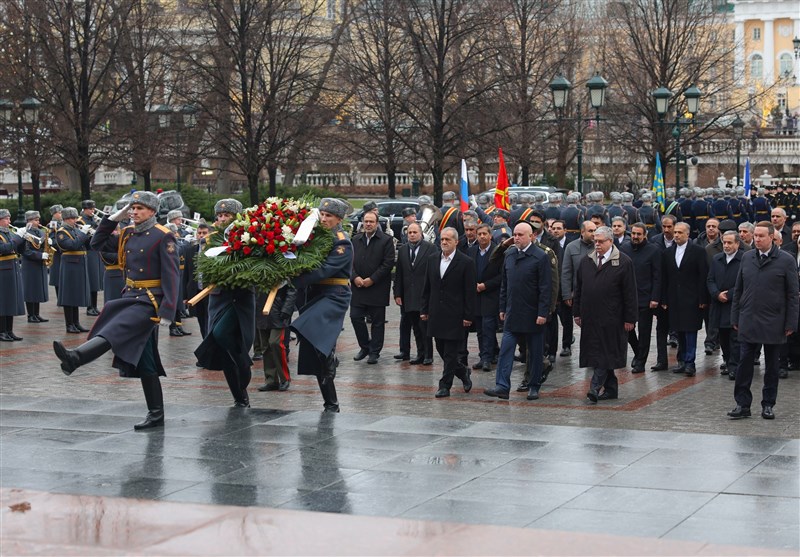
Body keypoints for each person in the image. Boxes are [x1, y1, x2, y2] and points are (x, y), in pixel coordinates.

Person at [53, 191, 180, 430]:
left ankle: (76, 358)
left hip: (149, 300)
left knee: (115, 329)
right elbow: (96, 243)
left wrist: (169, 311)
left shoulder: (164, 236)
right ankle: (156, 413)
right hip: (129, 296)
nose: (134, 212)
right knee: (146, 360)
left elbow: (172, 276)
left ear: (152, 211)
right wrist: (113, 218)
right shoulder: (128, 233)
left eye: (139, 208)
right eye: (132, 208)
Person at [728, 221, 799, 420]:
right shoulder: (747, 257)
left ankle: (768, 404)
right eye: (755, 236)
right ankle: (742, 404)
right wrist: (736, 316)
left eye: (761, 236)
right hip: (748, 319)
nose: (756, 239)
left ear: (771, 237)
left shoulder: (786, 260)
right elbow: (739, 289)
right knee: (744, 364)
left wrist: (790, 323)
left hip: (774, 321)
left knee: (772, 366)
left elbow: (793, 295)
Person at [291, 198, 353, 413]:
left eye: (329, 216)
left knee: (315, 337)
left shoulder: (342, 241)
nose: (324, 219)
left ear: (339, 219)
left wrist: (292, 276)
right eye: (323, 215)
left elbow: (324, 270)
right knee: (316, 348)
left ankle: (332, 400)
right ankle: (330, 401)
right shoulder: (314, 237)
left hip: (334, 296)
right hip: (315, 295)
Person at [195, 199, 257, 407]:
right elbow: (202, 269)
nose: (222, 219)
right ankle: (240, 398)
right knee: (222, 347)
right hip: (218, 296)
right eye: (219, 216)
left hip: (240, 297)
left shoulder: (248, 237)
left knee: (223, 335)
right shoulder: (209, 239)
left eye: (227, 215)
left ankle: (243, 362)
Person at [483, 221, 550, 401]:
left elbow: (545, 288)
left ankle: (534, 385)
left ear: (532, 237)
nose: (517, 238)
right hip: (513, 312)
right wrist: (502, 307)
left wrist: (543, 313)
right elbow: (505, 284)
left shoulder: (540, 257)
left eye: (521, 235)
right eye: (516, 234)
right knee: (506, 350)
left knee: (535, 353)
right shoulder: (510, 254)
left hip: (533, 313)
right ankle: (502, 386)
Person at [574, 226, 637, 402]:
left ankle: (594, 388)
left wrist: (630, 318)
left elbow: (630, 293)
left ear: (611, 241)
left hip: (613, 318)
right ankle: (611, 389)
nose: (597, 244)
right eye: (595, 241)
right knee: (598, 353)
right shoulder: (586, 261)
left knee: (605, 352)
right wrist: (577, 312)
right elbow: (579, 288)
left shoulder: (624, 262)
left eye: (601, 241)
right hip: (591, 317)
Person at [421, 227, 476, 398]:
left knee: (451, 352)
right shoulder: (432, 259)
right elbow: (427, 287)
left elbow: (469, 292)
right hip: (436, 313)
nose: (444, 242)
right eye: (442, 239)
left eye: (448, 240)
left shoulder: (466, 262)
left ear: (456, 242)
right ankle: (462, 372)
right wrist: (424, 309)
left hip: (455, 314)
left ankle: (444, 385)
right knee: (440, 348)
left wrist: (468, 316)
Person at [661, 222, 709, 377]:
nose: (676, 235)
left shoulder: (698, 252)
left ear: (688, 234)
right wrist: (664, 299)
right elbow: (665, 278)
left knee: (690, 331)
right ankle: (681, 360)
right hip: (674, 298)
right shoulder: (668, 253)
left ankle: (690, 362)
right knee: (678, 329)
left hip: (692, 298)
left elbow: (703, 276)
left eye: (680, 232)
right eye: (675, 232)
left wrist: (702, 298)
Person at [350, 210, 395, 364]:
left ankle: (374, 352)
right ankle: (365, 346)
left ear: (377, 223)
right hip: (358, 287)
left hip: (377, 288)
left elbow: (388, 263)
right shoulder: (355, 239)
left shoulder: (386, 240)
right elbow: (348, 261)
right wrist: (354, 277)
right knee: (355, 317)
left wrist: (372, 279)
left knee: (377, 322)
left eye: (371, 221)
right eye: (366, 221)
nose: (368, 224)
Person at [620, 223, 661, 373]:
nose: (635, 237)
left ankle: (641, 362)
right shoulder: (624, 248)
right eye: (633, 234)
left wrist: (655, 297)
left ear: (645, 235)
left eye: (639, 234)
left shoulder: (653, 251)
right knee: (627, 329)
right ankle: (638, 352)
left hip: (645, 298)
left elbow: (657, 276)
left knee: (644, 331)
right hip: (627, 297)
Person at [393, 222, 436, 365]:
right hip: (408, 295)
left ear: (421, 233)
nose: (412, 234)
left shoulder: (430, 248)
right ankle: (419, 353)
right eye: (409, 232)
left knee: (424, 326)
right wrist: (397, 293)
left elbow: (434, 272)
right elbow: (399, 273)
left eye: (414, 232)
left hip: (424, 294)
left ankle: (428, 355)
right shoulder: (403, 249)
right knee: (414, 327)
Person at [707, 231, 743, 381]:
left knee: (735, 339)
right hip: (719, 305)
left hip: (735, 306)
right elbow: (710, 279)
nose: (726, 246)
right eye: (724, 243)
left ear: (737, 244)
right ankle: (728, 362)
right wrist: (716, 293)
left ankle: (735, 367)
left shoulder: (743, 260)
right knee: (723, 338)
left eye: (729, 243)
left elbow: (745, 283)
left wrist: (728, 294)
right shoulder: (717, 259)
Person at [468, 223, 501, 371]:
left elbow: (502, 276)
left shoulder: (498, 251)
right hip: (476, 296)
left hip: (490, 295)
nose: (482, 236)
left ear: (490, 235)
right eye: (479, 234)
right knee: (480, 329)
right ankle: (485, 355)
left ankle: (487, 358)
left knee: (488, 327)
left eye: (484, 234)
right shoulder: (471, 251)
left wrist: (486, 285)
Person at [54, 207, 92, 334]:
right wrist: (83, 234)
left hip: (79, 264)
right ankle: (69, 324)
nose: (74, 220)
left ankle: (76, 322)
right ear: (65, 219)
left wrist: (90, 236)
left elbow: (86, 245)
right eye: (71, 218)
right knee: (69, 295)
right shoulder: (61, 232)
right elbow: (71, 245)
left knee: (75, 294)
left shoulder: (76, 230)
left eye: (75, 217)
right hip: (69, 265)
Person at [255, 284, 296, 392]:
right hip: (261, 312)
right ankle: (271, 380)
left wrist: (286, 310)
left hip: (278, 313)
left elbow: (292, 290)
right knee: (266, 347)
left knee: (275, 343)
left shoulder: (284, 270)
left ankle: (284, 378)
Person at [0, 209, 25, 341]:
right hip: (3, 270)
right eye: (6, 219)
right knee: (3, 301)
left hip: (12, 268)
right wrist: (17, 238)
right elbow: (4, 249)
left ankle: (9, 330)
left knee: (10, 300)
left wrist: (24, 239)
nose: (9, 221)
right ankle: (1, 331)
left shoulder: (8, 233)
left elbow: (19, 250)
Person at [20, 210, 50, 323]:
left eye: (38, 220)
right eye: (35, 220)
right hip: (30, 265)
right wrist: (40, 255)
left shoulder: (40, 232)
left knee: (37, 289)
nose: (38, 222)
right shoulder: (25, 233)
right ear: (29, 221)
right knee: (30, 289)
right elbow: (26, 251)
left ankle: (36, 314)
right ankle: (30, 315)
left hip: (39, 264)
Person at [183, 222, 210, 339]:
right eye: (199, 233)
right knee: (201, 320)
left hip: (209, 292)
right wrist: (184, 296)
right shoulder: (191, 250)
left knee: (210, 320)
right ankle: (205, 343)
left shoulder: (213, 250)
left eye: (204, 233)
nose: (201, 235)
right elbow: (186, 274)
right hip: (196, 291)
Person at [77, 200, 103, 316]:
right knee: (91, 280)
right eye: (90, 209)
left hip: (96, 252)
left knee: (96, 281)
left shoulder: (94, 219)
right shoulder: (80, 220)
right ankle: (89, 307)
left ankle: (94, 306)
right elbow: (80, 237)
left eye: (93, 208)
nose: (92, 211)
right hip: (88, 251)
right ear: (85, 209)